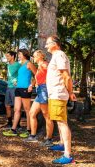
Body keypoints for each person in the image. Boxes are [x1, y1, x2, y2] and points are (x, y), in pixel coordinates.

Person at [45, 36, 76, 164]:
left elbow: (67, 77)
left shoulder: (59, 55)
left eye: (47, 43)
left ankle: (68, 155)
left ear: (55, 44)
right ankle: (62, 144)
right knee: (59, 121)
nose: (46, 45)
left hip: (58, 94)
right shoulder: (56, 56)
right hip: (54, 94)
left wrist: (71, 92)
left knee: (62, 123)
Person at [3, 49, 37, 138]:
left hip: (26, 88)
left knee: (27, 110)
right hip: (18, 88)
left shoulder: (28, 63)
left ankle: (29, 130)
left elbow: (37, 75)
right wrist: (16, 82)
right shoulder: (20, 64)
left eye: (20, 54)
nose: (19, 56)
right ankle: (13, 129)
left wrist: (31, 85)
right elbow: (20, 76)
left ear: (25, 54)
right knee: (16, 109)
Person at [25, 50, 54, 146]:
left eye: (34, 56)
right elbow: (37, 77)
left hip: (44, 90)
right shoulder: (40, 66)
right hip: (39, 90)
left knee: (47, 115)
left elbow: (53, 73)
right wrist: (31, 85)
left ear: (40, 56)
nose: (33, 58)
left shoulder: (45, 64)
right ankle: (33, 136)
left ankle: (49, 139)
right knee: (32, 113)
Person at [4, 51, 21, 128]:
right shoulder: (8, 65)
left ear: (13, 56)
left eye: (8, 56)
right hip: (8, 87)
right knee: (7, 105)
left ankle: (17, 124)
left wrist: (17, 81)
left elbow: (22, 74)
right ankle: (9, 122)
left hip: (15, 88)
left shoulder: (18, 64)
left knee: (16, 107)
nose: (6, 58)